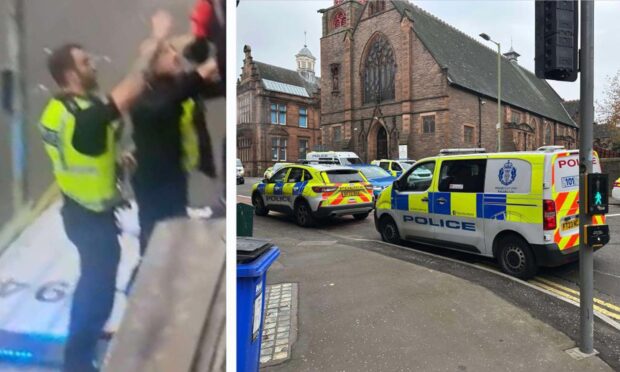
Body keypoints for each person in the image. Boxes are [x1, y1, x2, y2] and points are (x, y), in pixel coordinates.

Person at [38, 13, 171, 372]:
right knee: (94, 296)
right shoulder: (87, 116)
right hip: (91, 220)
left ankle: (81, 353)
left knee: (93, 286)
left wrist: (116, 161)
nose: (93, 65)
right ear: (69, 74)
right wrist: (156, 40)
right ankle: (78, 364)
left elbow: (78, 153)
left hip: (79, 210)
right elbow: (132, 86)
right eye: (85, 62)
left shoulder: (59, 110)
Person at [129, 9, 221, 254]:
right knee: (155, 239)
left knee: (173, 234)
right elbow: (191, 83)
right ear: (152, 65)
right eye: (166, 53)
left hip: (174, 177)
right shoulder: (150, 97)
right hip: (155, 184)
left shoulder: (171, 86)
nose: (175, 55)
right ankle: (147, 279)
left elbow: (202, 85)